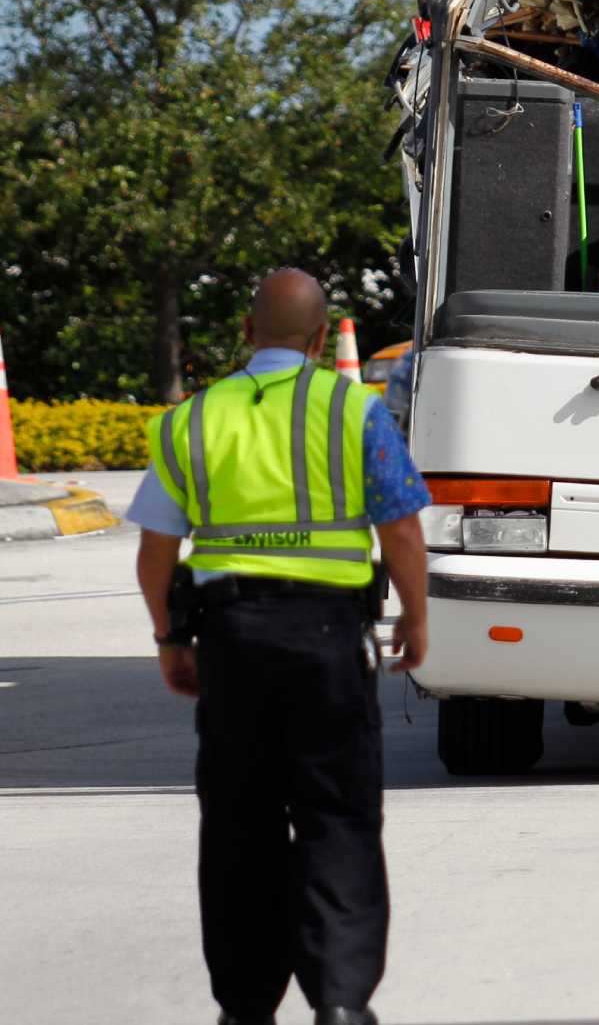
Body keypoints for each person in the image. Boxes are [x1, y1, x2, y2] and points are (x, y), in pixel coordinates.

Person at [131, 269, 432, 1025]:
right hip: (329, 638)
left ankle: (245, 1006)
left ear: (245, 330)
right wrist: (417, 617)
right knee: (338, 814)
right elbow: (399, 527)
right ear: (322, 337)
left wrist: (171, 638)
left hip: (231, 640)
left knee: (239, 823)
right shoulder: (356, 413)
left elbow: (156, 553)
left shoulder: (191, 420)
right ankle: (339, 1002)